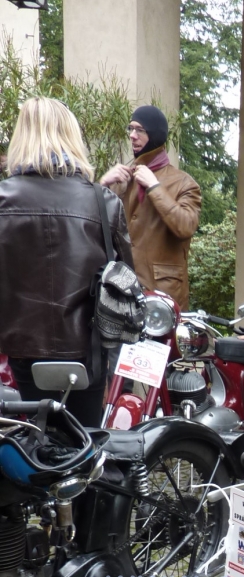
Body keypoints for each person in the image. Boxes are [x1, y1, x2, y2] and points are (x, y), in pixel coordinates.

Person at [0, 97, 133, 427]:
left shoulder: (3, 200)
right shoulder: (103, 201)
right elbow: (127, 279)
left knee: (34, 439)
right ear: (71, 137)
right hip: (88, 351)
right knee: (84, 444)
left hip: (22, 349)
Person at [99, 106, 201, 309]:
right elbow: (94, 225)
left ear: (155, 134)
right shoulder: (122, 179)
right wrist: (101, 185)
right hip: (121, 290)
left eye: (140, 130)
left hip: (163, 295)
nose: (132, 136)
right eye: (130, 129)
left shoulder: (184, 183)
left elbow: (185, 226)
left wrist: (154, 187)